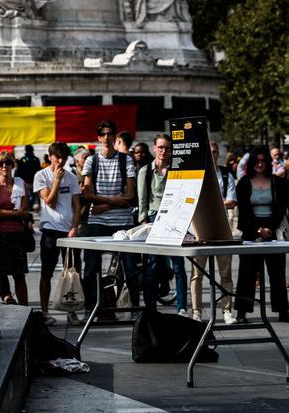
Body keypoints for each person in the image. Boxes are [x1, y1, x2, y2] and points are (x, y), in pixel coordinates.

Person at [81, 120, 139, 317]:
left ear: (115, 137)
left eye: (110, 134)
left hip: (122, 221)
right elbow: (87, 194)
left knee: (130, 267)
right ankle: (90, 308)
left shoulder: (126, 160)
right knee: (91, 267)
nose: (107, 137)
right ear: (99, 138)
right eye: (103, 134)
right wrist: (114, 201)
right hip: (98, 221)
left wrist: (104, 205)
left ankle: (135, 309)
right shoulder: (92, 161)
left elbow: (130, 195)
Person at [235, 145, 289, 323]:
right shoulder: (244, 183)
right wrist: (258, 230)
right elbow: (243, 214)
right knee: (247, 273)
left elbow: (281, 208)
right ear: (251, 162)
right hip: (251, 231)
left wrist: (269, 229)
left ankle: (283, 310)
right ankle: (242, 312)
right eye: (257, 161)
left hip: (274, 230)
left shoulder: (278, 182)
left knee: (277, 273)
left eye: (263, 161)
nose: (260, 164)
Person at [138, 134, 188, 316]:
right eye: (160, 147)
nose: (164, 151)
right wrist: (144, 221)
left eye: (167, 148)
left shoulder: (178, 169)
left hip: (175, 219)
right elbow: (142, 200)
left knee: (178, 265)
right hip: (154, 218)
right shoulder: (145, 171)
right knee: (153, 266)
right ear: (154, 148)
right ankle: (151, 308)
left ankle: (181, 307)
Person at [189, 141, 236, 324]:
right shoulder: (194, 174)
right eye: (209, 152)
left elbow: (232, 201)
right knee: (196, 274)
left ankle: (227, 311)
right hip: (199, 229)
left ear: (218, 154)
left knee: (226, 274)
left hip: (223, 229)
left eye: (214, 152)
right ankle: (196, 312)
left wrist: (208, 202)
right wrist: (218, 202)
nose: (212, 155)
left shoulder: (225, 174)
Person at [33, 142, 81, 323]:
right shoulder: (41, 175)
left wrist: (75, 227)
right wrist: (56, 180)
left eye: (64, 158)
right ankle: (45, 311)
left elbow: (77, 206)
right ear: (50, 156)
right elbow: (50, 201)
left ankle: (71, 310)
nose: (60, 161)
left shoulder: (72, 177)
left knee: (72, 273)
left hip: (68, 231)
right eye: (57, 157)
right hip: (50, 230)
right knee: (47, 272)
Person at [0, 152, 30, 307]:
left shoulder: (20, 183)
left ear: (12, 164)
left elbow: (25, 208)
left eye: (7, 163)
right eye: (0, 163)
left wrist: (10, 213)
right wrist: (16, 213)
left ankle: (25, 310)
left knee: (19, 276)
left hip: (17, 234)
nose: (4, 166)